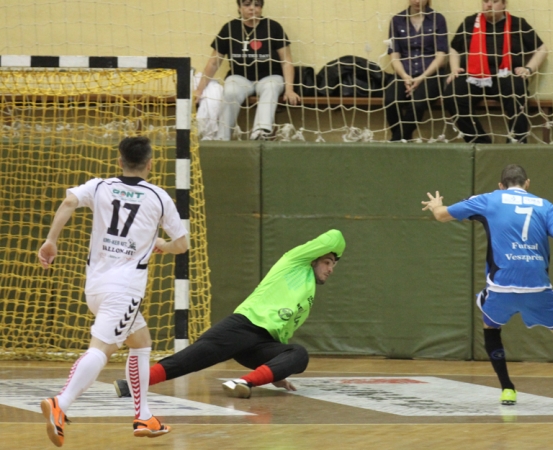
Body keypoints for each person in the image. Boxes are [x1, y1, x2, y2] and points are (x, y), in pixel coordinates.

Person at [421, 164, 553, 405]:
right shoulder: (546, 205)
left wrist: (437, 206)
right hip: (537, 287)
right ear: (527, 183)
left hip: (502, 287)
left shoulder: (489, 199)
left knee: (490, 326)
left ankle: (507, 389)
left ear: (501, 185)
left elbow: (441, 215)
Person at [37, 136, 189, 446]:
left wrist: (51, 240)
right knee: (101, 349)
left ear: (119, 161)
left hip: (95, 287)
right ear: (150, 164)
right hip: (125, 290)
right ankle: (61, 403)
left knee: (141, 342)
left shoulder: (99, 186)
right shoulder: (159, 197)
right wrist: (162, 244)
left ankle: (144, 415)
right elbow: (183, 245)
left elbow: (68, 202)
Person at [113, 230, 345, 400]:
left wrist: (276, 370)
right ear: (314, 258)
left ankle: (244, 383)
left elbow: (282, 331)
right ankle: (131, 385)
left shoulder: (309, 294)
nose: (331, 269)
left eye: (333, 265)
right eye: (327, 262)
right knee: (190, 359)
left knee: (299, 355)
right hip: (243, 326)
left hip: (264, 343)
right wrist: (337, 251)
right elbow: (335, 236)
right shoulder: (295, 261)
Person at [193, 0, 300, 141]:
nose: (252, 8)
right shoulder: (230, 28)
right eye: (247, 4)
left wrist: (289, 89)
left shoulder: (273, 27)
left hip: (269, 77)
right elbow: (214, 62)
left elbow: (286, 61)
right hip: (239, 78)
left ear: (261, 8)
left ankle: (261, 133)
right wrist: (199, 90)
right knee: (230, 91)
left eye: (256, 5)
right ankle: (222, 137)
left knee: (272, 87)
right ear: (239, 7)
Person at [443, 0, 547, 144]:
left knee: (518, 92)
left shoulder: (518, 24)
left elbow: (542, 49)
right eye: (485, 1)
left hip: (505, 74)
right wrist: (455, 68)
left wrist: (528, 69)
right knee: (452, 95)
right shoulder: (470, 22)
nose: (489, 5)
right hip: (474, 75)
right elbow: (454, 48)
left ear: (504, 4)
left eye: (495, 1)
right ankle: (480, 142)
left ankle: (516, 143)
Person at [384, 0, 448, 142]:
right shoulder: (397, 20)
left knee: (418, 103)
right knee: (390, 100)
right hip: (404, 72)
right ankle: (404, 139)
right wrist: (405, 76)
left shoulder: (438, 19)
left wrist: (422, 77)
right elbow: (394, 56)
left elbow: (441, 56)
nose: (417, 1)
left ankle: (396, 141)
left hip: (431, 74)